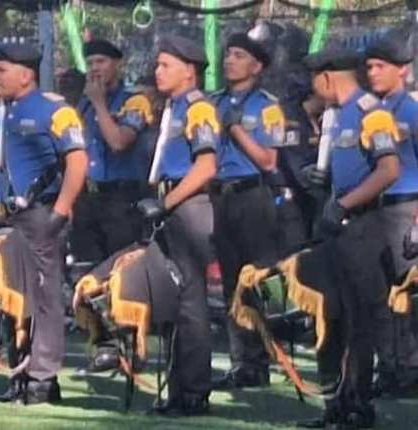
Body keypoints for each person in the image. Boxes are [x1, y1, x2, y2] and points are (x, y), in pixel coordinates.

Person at [0, 42, 88, 404]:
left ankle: (43, 377)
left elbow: (77, 162)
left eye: (2, 70)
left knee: (43, 295)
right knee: (10, 293)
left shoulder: (54, 110)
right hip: (3, 216)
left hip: (39, 215)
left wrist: (60, 211)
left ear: (26, 75)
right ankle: (19, 372)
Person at [295, 47, 401, 429]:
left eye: (313, 80)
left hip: (361, 227)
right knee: (331, 317)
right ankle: (334, 407)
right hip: (334, 228)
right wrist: (317, 177)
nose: (312, 88)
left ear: (326, 77)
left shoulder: (372, 113)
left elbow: (389, 170)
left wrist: (344, 203)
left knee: (358, 321)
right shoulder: (335, 116)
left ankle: (356, 406)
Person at [137, 34, 219, 416]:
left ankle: (194, 392)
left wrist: (166, 203)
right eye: (158, 64)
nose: (158, 71)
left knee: (189, 301)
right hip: (170, 205)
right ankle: (177, 389)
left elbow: (206, 166)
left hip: (187, 207)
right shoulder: (174, 107)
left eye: (166, 65)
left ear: (189, 71)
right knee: (171, 298)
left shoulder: (198, 108)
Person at [69, 39, 155, 374]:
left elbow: (119, 142)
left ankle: (132, 347)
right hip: (89, 197)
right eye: (90, 63)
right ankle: (103, 346)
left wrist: (100, 104)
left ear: (118, 64)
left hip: (121, 199)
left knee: (123, 273)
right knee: (90, 274)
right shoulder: (84, 104)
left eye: (101, 62)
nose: (95, 69)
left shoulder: (134, 101)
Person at [209, 33, 285, 390]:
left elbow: (269, 161)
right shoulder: (213, 102)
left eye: (238, 55)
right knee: (229, 283)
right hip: (220, 195)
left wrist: (237, 129)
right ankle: (241, 361)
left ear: (256, 66)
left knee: (254, 279)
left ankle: (261, 358)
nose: (229, 61)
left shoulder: (267, 107)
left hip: (252, 196)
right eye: (228, 54)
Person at [363, 35, 418, 397]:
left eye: (381, 66)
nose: (373, 72)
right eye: (369, 66)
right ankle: (388, 367)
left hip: (406, 207)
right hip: (374, 211)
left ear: (403, 70)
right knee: (378, 294)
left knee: (408, 292)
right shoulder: (368, 112)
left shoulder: (411, 111)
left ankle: (411, 369)